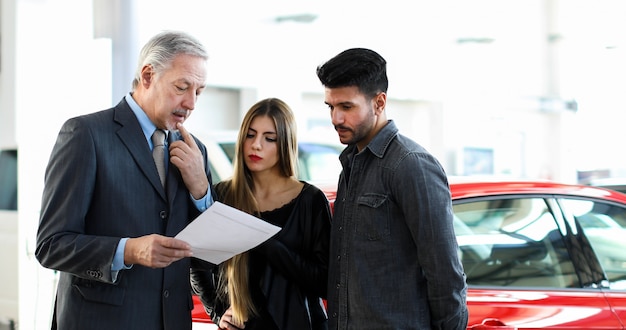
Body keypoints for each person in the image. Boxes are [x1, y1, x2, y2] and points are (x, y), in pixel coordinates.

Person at [35, 30, 215, 330]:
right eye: (182, 87)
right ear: (147, 76)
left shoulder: (197, 151)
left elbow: (207, 252)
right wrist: (128, 250)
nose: (192, 102)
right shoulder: (85, 134)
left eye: (199, 91)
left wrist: (201, 189)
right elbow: (51, 245)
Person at [316, 48, 469, 329]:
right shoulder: (350, 165)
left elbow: (445, 274)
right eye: (330, 107)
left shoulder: (411, 165)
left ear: (379, 102)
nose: (336, 118)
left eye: (346, 107)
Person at [190, 98, 332, 330]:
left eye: (269, 138)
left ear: (284, 143)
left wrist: (263, 241)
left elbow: (325, 282)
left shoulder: (311, 200)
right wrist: (217, 312)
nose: (256, 145)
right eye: (250, 135)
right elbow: (197, 264)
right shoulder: (223, 195)